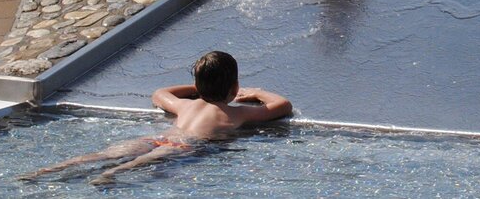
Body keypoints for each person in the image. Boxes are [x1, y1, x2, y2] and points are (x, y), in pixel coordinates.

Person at [21, 51, 292, 185]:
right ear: (234, 89)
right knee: (140, 164)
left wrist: (196, 89)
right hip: (186, 147)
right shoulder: (237, 112)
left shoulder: (186, 106)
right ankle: (111, 175)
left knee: (102, 153)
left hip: (161, 139)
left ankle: (45, 172)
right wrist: (257, 91)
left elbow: (160, 93)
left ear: (197, 85)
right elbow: (282, 105)